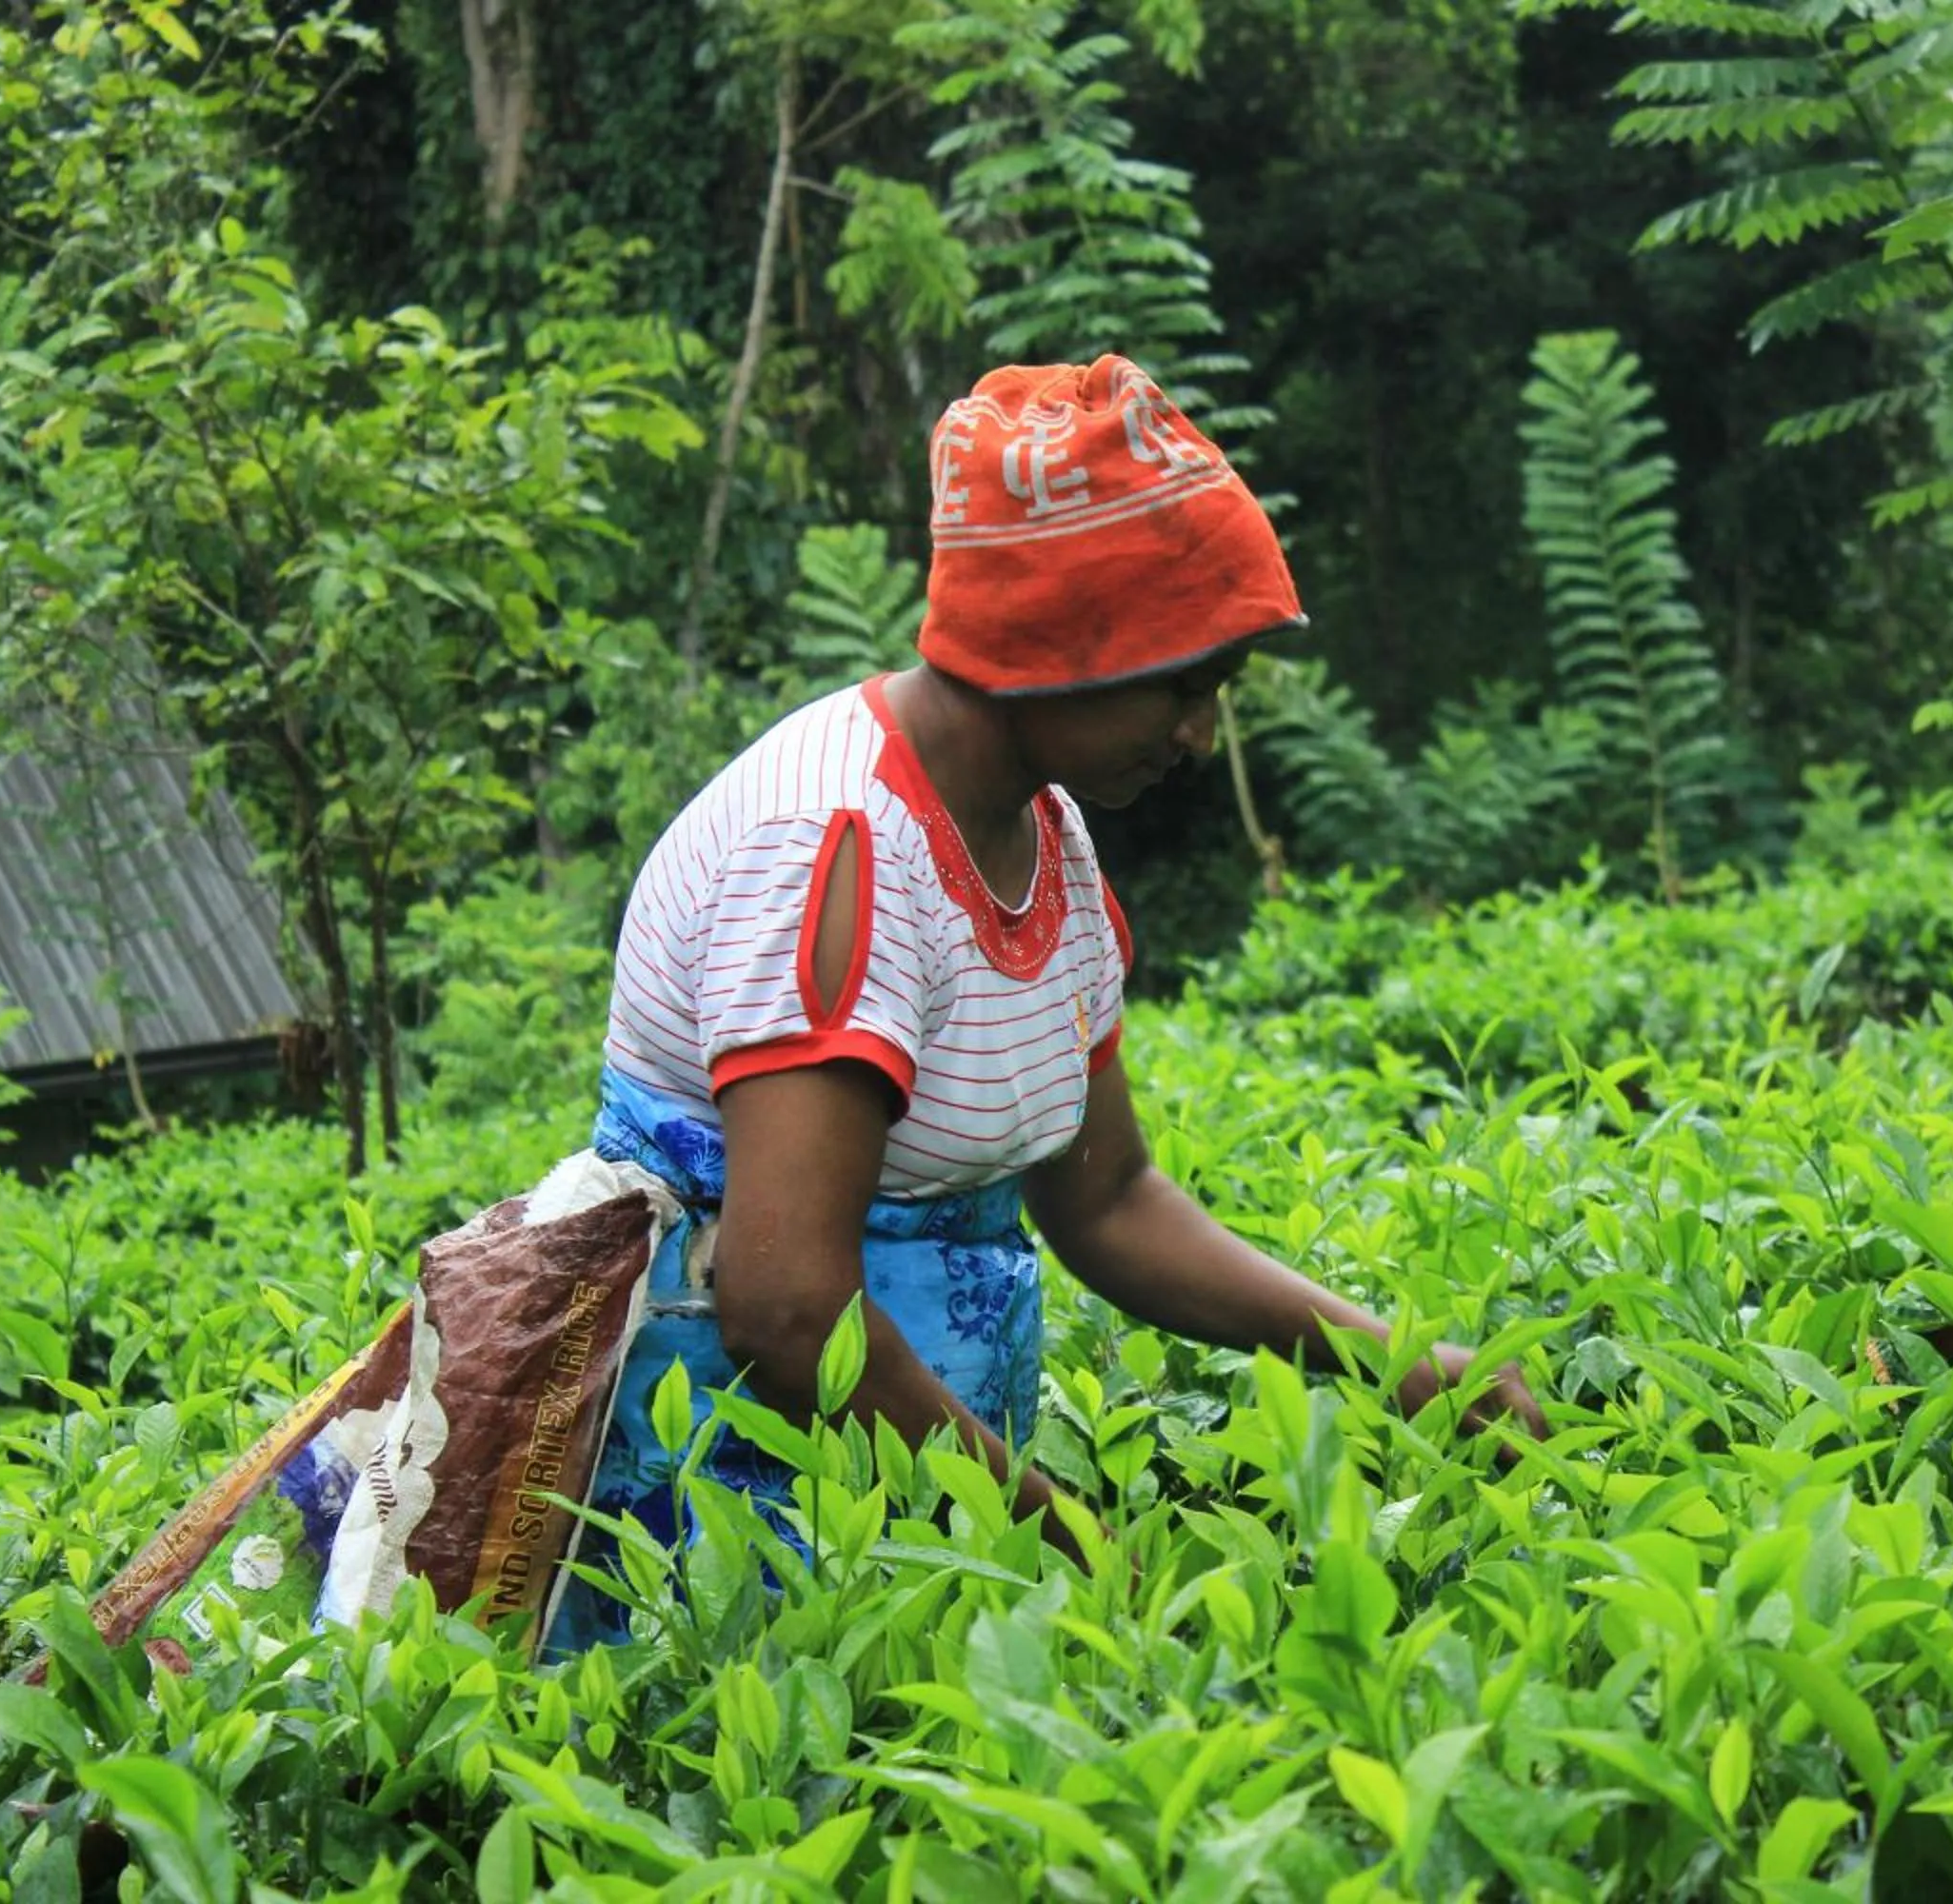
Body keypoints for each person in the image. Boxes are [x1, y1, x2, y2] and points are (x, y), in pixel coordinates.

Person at [552, 357, 1546, 1649]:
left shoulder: (1048, 836)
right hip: (733, 1530)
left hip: (933, 1509)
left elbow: (1108, 1199)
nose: (1200, 734)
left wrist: (1403, 1367)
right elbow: (786, 1304)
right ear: (1058, 645)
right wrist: (1063, 1536)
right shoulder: (833, 847)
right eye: (1183, 685)